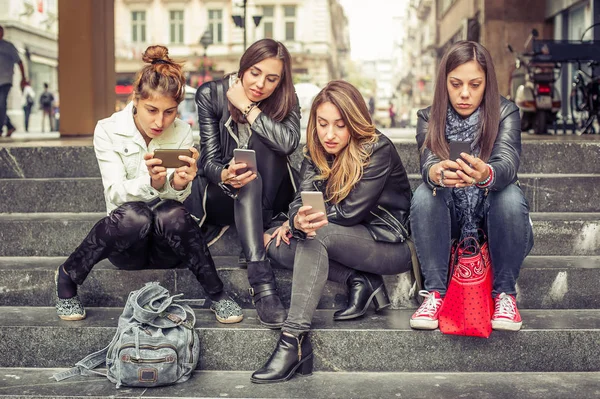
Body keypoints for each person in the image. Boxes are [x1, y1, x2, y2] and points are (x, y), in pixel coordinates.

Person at [54, 45, 243, 324]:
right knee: (134, 215)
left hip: (168, 246)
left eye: (169, 112)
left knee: (173, 212)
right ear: (135, 99)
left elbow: (178, 200)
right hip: (127, 242)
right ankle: (68, 277)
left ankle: (216, 294)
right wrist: (151, 183)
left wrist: (178, 184)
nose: (160, 121)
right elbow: (115, 192)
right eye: (151, 109)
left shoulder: (181, 131)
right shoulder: (108, 129)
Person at [251, 80, 413, 384]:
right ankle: (358, 279)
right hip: (343, 240)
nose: (329, 134)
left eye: (340, 125)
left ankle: (293, 340)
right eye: (323, 124)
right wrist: (294, 220)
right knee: (275, 244)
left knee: (315, 234)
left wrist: (301, 223)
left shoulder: (377, 149)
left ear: (354, 122)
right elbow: (301, 199)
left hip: (390, 243)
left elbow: (350, 212)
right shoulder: (317, 151)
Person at [409, 41, 534, 332]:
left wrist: (485, 174)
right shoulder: (428, 117)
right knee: (425, 195)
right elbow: (427, 162)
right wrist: (436, 172)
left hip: (495, 218)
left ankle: (504, 294)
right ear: (444, 84)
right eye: (456, 84)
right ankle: (435, 294)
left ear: (487, 84)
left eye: (475, 84)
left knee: (510, 195)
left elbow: (507, 162)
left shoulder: (505, 113)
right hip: (450, 217)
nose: (465, 93)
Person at [184, 38, 300, 328]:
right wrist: (225, 175)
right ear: (244, 68)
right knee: (247, 176)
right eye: (255, 73)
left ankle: (254, 243)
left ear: (280, 82)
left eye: (272, 79)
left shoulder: (286, 99)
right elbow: (208, 161)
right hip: (222, 194)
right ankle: (262, 284)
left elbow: (288, 144)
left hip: (271, 196)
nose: (261, 84)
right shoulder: (211, 94)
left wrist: (248, 108)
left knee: (268, 146)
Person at [0, 25, 26, 137]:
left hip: (5, 80)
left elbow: (20, 62)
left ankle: (0, 129)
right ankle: (10, 125)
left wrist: (24, 78)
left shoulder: (8, 46)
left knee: (1, 103)